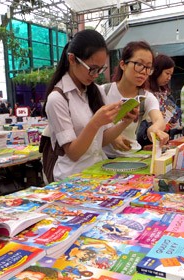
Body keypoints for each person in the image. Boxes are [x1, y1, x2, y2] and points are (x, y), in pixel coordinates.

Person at [43, 29, 138, 182]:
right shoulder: (57, 99)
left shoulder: (96, 91)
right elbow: (73, 153)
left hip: (98, 172)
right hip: (71, 179)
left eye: (100, 69)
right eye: (92, 69)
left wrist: (125, 121)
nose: (96, 75)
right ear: (72, 59)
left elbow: (102, 140)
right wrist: (95, 122)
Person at [102, 41, 168, 157]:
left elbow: (159, 120)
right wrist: (112, 136)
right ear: (123, 64)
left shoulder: (146, 97)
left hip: (132, 156)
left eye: (148, 67)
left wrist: (154, 130)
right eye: (139, 64)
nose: (143, 71)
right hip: (103, 159)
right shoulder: (102, 92)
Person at [147, 54, 182, 141]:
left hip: (162, 135)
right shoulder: (146, 92)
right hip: (149, 137)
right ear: (157, 70)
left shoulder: (164, 91)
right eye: (167, 73)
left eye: (171, 75)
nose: (169, 78)